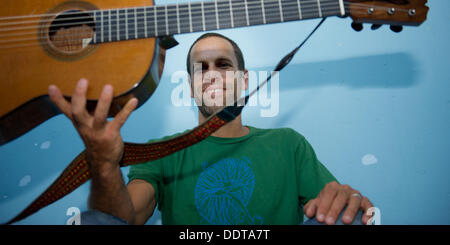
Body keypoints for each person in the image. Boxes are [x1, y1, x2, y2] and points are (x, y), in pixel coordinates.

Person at [47, 33, 374, 225]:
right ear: (190, 87)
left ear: (244, 81)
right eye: (200, 69)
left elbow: (332, 207)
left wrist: (345, 201)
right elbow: (122, 220)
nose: (211, 74)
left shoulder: (288, 144)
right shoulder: (162, 150)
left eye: (223, 65)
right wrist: (103, 164)